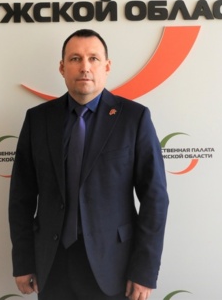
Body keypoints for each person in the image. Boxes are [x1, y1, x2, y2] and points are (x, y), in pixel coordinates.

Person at [9, 29, 169, 300]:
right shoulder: (38, 120)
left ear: (107, 66)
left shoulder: (134, 119)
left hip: (114, 267)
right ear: (62, 68)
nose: (85, 67)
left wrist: (144, 271)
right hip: (52, 265)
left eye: (93, 58)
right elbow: (20, 197)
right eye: (75, 59)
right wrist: (23, 261)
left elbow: (155, 199)